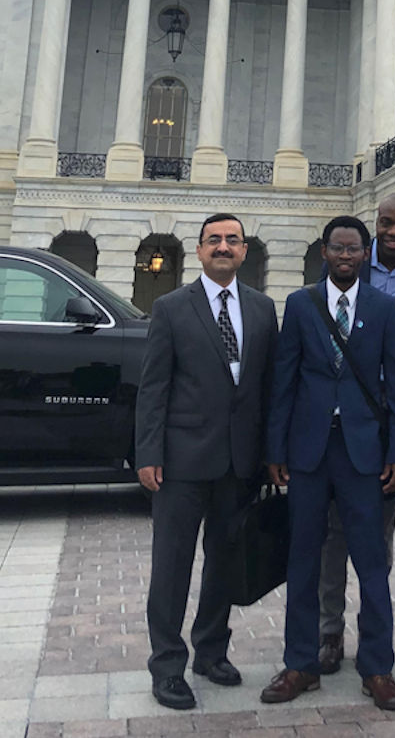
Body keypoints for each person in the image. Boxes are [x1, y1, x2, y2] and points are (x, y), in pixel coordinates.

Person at [262, 215, 395, 712]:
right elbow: (284, 382)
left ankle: (378, 668)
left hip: (363, 454)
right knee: (302, 559)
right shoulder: (301, 305)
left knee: (371, 563)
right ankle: (300, 663)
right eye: (337, 248)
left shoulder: (384, 307)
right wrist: (276, 451)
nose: (345, 256)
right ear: (324, 252)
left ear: (364, 253)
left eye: (354, 249)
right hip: (309, 452)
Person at [135, 213, 278, 711]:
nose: (223, 247)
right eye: (214, 240)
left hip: (239, 463)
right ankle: (167, 665)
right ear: (199, 250)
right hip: (180, 462)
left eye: (232, 240)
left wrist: (270, 456)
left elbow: (267, 391)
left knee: (223, 564)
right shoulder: (172, 308)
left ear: (243, 251)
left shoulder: (262, 310)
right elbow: (153, 388)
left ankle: (211, 653)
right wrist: (148, 453)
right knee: (171, 568)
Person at [317, 191, 395, 675]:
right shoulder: (348, 265)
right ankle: (328, 633)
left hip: (387, 422)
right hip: (340, 421)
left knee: (378, 541)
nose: (394, 232)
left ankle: (372, 634)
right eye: (386, 223)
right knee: (331, 537)